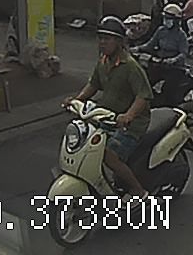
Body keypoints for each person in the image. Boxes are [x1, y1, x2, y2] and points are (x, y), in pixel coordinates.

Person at [63, 16, 153, 198]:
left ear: (119, 42)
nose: (102, 43)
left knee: (108, 155)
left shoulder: (130, 66)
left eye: (107, 39)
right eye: (100, 38)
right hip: (105, 117)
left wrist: (128, 116)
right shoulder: (103, 61)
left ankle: (138, 190)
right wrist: (76, 100)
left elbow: (143, 96)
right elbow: (93, 84)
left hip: (131, 124)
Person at [134, 4, 189, 102]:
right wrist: (136, 49)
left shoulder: (181, 35)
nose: (166, 21)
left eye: (169, 19)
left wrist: (173, 60)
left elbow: (183, 53)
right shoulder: (161, 31)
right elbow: (150, 45)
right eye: (165, 18)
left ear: (176, 21)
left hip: (174, 68)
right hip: (159, 64)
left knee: (168, 90)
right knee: (146, 82)